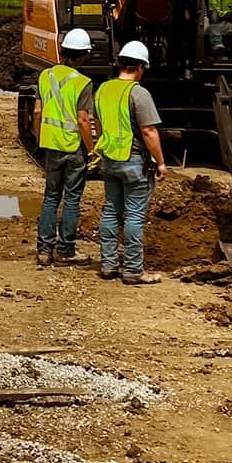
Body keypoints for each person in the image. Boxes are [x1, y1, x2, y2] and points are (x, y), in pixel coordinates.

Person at [94, 39, 167, 285]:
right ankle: (134, 270)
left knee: (111, 210)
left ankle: (108, 265)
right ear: (140, 67)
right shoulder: (138, 93)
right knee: (134, 216)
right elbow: (149, 132)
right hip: (134, 161)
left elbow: (99, 124)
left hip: (110, 160)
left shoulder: (103, 89)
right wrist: (161, 162)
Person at [33, 27, 96, 267]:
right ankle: (65, 250)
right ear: (83, 56)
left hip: (51, 146)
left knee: (50, 197)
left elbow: (38, 112)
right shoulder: (84, 83)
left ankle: (44, 250)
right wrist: (92, 150)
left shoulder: (44, 76)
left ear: (63, 51)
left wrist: (40, 141)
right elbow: (82, 120)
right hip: (73, 148)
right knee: (71, 199)